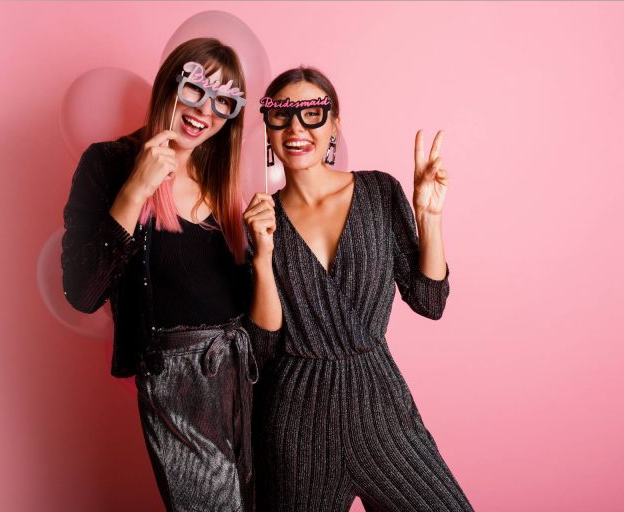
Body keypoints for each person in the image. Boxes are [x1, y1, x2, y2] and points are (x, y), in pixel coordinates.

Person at [243, 67, 474, 511]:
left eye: (313, 114)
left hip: (379, 407)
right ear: (268, 127)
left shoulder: (378, 191)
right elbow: (265, 345)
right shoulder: (260, 217)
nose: (297, 128)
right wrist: (262, 254)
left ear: (335, 125)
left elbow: (428, 301)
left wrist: (429, 216)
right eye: (282, 116)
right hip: (296, 423)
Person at [61, 37, 276, 512]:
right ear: (169, 84)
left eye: (225, 102)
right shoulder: (109, 164)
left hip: (240, 374)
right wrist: (135, 190)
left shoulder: (221, 187)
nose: (206, 111)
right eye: (195, 89)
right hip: (176, 380)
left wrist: (263, 257)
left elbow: (250, 312)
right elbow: (82, 292)